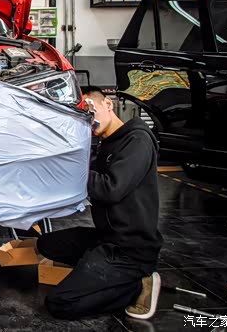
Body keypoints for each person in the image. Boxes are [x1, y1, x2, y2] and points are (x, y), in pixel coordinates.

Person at [36, 86, 163, 320]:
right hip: (107, 238)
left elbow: (110, 188)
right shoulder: (105, 143)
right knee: (46, 244)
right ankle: (99, 273)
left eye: (90, 112)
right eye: (82, 116)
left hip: (131, 250)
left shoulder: (137, 141)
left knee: (61, 304)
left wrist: (71, 168)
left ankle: (137, 286)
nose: (89, 121)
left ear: (108, 104)